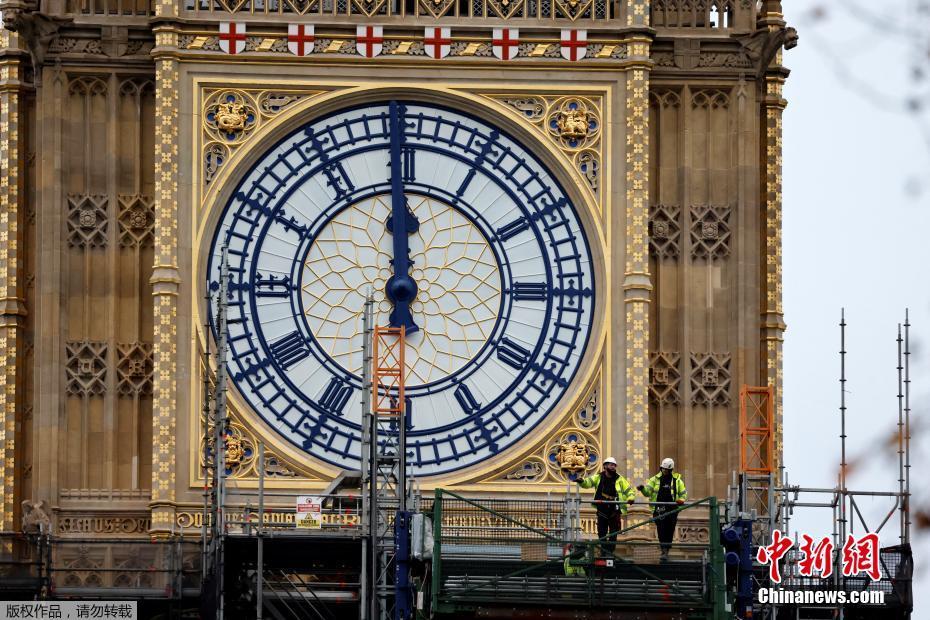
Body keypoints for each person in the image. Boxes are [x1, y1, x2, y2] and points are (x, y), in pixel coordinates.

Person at [576, 457, 635, 557]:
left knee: (613, 532)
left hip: (614, 509)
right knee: (602, 532)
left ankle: (610, 552)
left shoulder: (619, 479)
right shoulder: (598, 477)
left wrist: (631, 498)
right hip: (602, 508)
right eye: (611, 465)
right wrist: (582, 481)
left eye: (614, 465)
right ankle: (604, 551)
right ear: (605, 466)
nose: (613, 467)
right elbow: (588, 483)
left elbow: (629, 491)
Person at [637, 457, 687, 561]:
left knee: (669, 529)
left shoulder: (677, 481)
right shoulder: (655, 479)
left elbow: (683, 494)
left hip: (672, 509)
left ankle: (667, 549)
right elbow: (648, 493)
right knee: (661, 529)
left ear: (670, 470)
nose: (664, 471)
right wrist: (642, 489)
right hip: (659, 508)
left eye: (666, 469)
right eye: (662, 469)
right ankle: (663, 550)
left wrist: (681, 500)